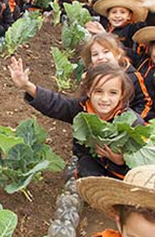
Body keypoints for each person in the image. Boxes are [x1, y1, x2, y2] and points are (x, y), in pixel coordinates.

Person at [9, 59, 144, 179]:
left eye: (113, 93)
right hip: (94, 165)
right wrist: (27, 85)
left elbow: (145, 158)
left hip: (123, 174)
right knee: (86, 169)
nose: (105, 99)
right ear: (88, 91)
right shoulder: (82, 109)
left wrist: (121, 160)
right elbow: (56, 104)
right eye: (98, 91)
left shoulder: (132, 122)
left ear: (122, 95)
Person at [80, 33, 152, 120]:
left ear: (118, 54)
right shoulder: (90, 75)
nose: (101, 57)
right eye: (95, 54)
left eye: (106, 52)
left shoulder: (133, 76)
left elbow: (145, 103)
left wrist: (132, 120)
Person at [86, 0, 155, 51]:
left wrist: (153, 12)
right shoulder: (106, 27)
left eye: (122, 12)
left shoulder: (131, 28)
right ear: (108, 16)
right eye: (114, 12)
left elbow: (149, 26)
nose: (117, 16)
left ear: (129, 16)